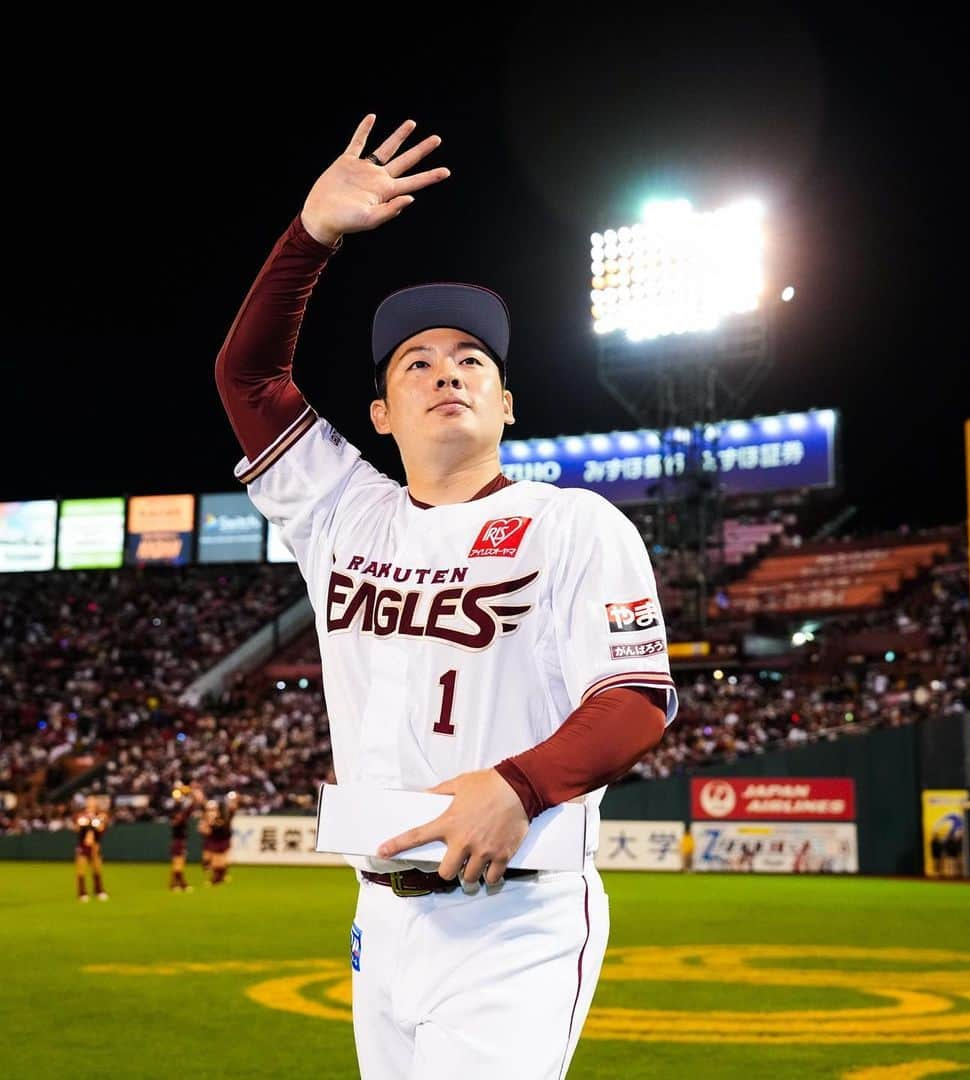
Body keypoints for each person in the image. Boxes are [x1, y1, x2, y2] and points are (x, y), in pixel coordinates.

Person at [214, 114, 676, 1079]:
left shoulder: (576, 526)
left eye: (473, 361)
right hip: (379, 915)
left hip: (517, 913)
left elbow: (635, 699)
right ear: (379, 414)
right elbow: (248, 376)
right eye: (415, 363)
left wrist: (517, 787)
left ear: (507, 403)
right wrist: (311, 235)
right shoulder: (345, 514)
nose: (446, 372)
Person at [73, 795, 108, 901]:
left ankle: (99, 890)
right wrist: (83, 821)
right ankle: (82, 893)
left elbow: (101, 828)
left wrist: (93, 820)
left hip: (95, 845)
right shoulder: (81, 815)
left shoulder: (101, 815)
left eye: (93, 801)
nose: (90, 803)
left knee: (97, 868)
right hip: (83, 845)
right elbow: (77, 828)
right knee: (81, 869)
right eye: (89, 801)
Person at [168, 783, 201, 892]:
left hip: (178, 841)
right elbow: (187, 812)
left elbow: (187, 811)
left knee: (177, 865)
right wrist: (192, 796)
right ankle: (182, 884)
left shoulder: (178, 816)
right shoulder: (178, 819)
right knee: (179, 865)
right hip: (178, 842)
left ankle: (174, 884)